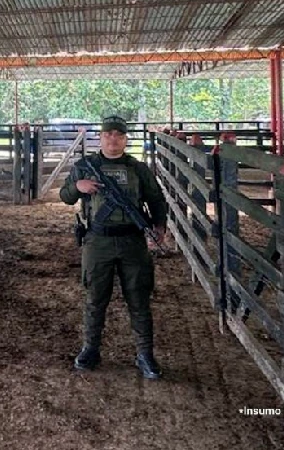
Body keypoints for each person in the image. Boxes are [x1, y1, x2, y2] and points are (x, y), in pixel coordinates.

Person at [59, 115, 168, 378]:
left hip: (133, 241)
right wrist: (78, 186)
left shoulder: (138, 169)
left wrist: (160, 227)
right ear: (101, 137)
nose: (113, 139)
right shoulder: (86, 166)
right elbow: (65, 196)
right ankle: (90, 349)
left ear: (125, 139)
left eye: (119, 135)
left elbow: (156, 199)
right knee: (96, 298)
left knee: (139, 299)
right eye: (108, 134)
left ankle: (145, 355)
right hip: (98, 241)